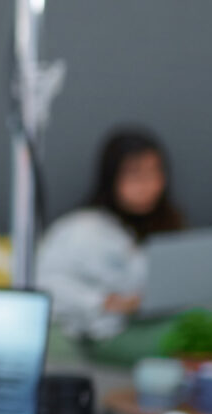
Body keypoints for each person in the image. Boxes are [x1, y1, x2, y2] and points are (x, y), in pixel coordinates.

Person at [36, 126, 187, 343]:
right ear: (112, 178)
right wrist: (103, 301)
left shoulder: (167, 224)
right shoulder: (83, 229)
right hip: (107, 331)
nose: (148, 185)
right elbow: (45, 283)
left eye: (155, 172)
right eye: (136, 175)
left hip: (160, 318)